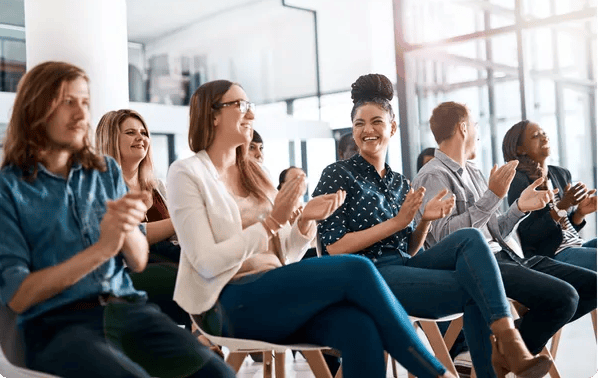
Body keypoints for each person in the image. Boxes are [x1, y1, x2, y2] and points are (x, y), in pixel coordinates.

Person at [166, 79, 459, 378]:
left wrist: (305, 220)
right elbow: (205, 263)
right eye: (240, 106)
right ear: (212, 114)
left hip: (275, 289)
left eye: (250, 106)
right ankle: (435, 373)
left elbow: (286, 256)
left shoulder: (256, 175)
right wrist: (271, 223)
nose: (251, 115)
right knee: (357, 269)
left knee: (360, 327)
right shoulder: (187, 173)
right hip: (224, 301)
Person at [0, 61, 235, 378]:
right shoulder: (9, 189)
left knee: (217, 374)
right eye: (68, 102)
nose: (82, 114)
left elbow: (137, 261)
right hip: (51, 324)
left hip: (125, 310)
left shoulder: (104, 172)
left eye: (85, 102)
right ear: (36, 108)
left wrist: (127, 229)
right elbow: (18, 296)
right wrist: (103, 248)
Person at [313, 73, 551, 378]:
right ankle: (502, 360)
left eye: (376, 122)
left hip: (404, 266)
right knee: (474, 288)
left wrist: (424, 220)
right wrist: (398, 222)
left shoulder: (400, 182)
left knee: (467, 238)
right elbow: (335, 247)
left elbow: (409, 247)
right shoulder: (338, 173)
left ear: (393, 127)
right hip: (367, 276)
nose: (367, 130)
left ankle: (511, 343)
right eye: (359, 123)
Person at [413, 101, 597, 361]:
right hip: (480, 266)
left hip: (509, 257)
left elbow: (493, 230)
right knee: (565, 298)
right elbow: (448, 239)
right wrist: (492, 197)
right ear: (463, 128)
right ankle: (502, 353)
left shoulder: (474, 171)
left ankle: (497, 351)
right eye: (475, 125)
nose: (478, 132)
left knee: (593, 286)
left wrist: (519, 208)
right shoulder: (432, 176)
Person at [95, 109, 189, 328]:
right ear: (111, 139)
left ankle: (204, 337)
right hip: (128, 270)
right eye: (130, 132)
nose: (141, 138)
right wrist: (181, 218)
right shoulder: (101, 186)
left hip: (168, 261)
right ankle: (203, 337)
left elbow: (178, 235)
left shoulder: (158, 188)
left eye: (144, 132)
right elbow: (131, 236)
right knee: (192, 279)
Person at [502, 120, 597, 271]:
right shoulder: (519, 181)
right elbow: (529, 235)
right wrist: (562, 206)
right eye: (535, 136)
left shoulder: (560, 174)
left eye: (544, 134)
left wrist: (580, 213)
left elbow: (563, 232)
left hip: (576, 245)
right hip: (551, 255)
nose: (544, 138)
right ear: (520, 150)